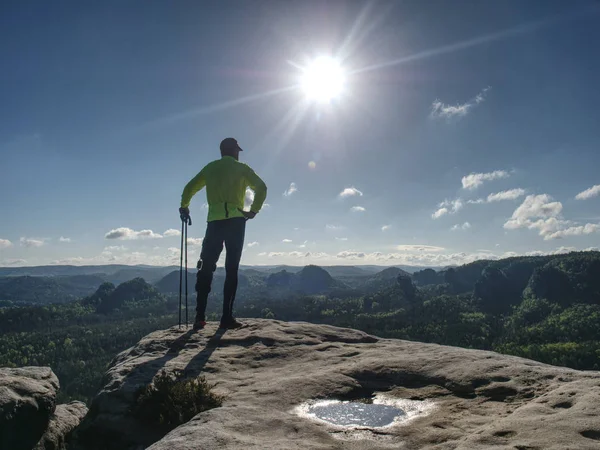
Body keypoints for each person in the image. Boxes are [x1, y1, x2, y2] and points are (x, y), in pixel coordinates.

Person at [179, 138, 267, 330]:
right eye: (238, 150)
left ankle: (199, 317)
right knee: (231, 269)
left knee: (206, 267)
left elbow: (189, 188)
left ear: (221, 152)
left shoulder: (210, 168)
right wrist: (253, 211)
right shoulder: (242, 168)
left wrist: (184, 207)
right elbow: (261, 187)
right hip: (236, 221)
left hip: (215, 222)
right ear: (234, 151)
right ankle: (226, 318)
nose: (238, 153)